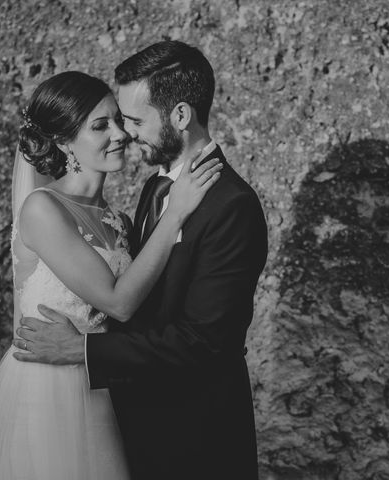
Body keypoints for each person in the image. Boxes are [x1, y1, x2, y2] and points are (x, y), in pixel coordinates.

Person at [14, 41, 268, 479]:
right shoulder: (155, 189)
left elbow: (206, 342)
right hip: (116, 414)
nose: (125, 133)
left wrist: (85, 349)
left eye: (132, 119)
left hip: (196, 436)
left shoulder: (232, 205)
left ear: (181, 116)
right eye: (110, 123)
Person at [0, 70, 221, 480]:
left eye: (119, 120)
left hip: (102, 386)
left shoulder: (118, 219)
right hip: (46, 391)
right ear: (65, 141)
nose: (120, 134)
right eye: (100, 126)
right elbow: (119, 303)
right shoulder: (42, 209)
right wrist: (176, 213)